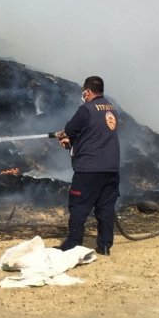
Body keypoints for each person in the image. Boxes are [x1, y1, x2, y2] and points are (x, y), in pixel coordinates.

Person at [54, 75, 120, 256]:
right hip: (111, 169)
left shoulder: (86, 109)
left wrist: (66, 137)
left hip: (89, 169)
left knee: (78, 206)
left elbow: (69, 129)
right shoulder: (111, 109)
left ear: (88, 91)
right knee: (105, 207)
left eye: (84, 91)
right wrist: (72, 142)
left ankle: (73, 244)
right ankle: (105, 246)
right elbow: (94, 134)